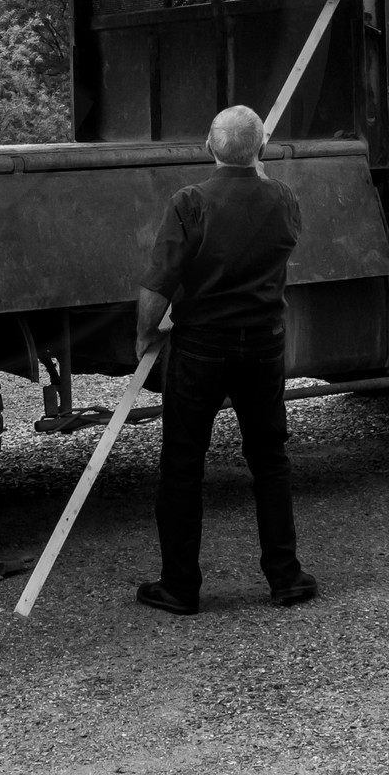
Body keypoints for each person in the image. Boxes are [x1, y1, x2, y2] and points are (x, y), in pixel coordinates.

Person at [132, 104, 317, 616]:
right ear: (261, 150)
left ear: (208, 147)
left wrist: (146, 334)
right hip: (262, 345)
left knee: (183, 466)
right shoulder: (284, 198)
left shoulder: (190, 202)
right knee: (269, 460)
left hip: (201, 348)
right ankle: (286, 577)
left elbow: (158, 282)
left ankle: (179, 587)